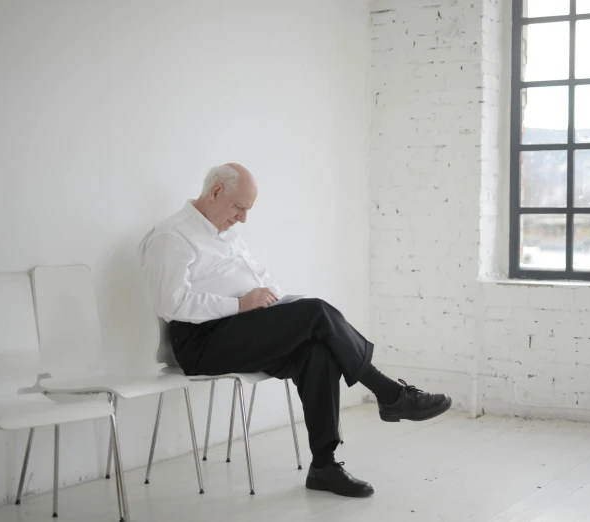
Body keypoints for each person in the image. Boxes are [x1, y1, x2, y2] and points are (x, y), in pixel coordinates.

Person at [138, 163, 451, 498]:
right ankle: (389, 394)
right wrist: (240, 305)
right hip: (202, 343)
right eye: (239, 207)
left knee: (318, 351)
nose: (243, 218)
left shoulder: (226, 233)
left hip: (243, 329)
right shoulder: (172, 236)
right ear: (216, 192)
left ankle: (324, 466)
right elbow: (169, 305)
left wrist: (273, 301)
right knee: (316, 312)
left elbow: (260, 277)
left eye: (247, 210)